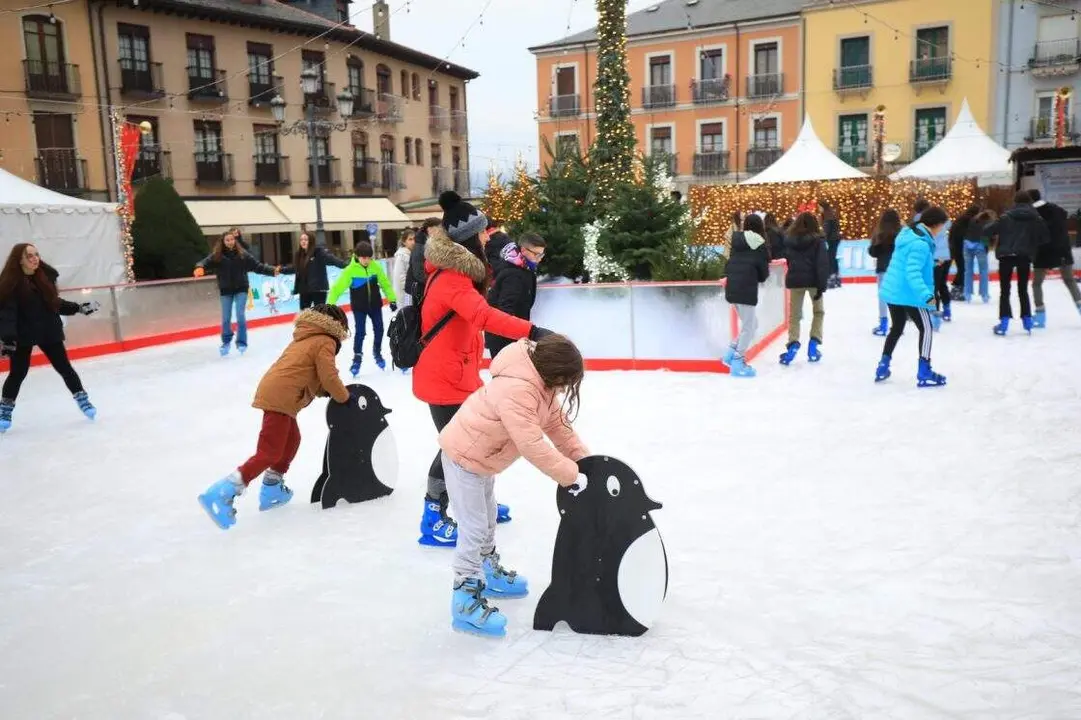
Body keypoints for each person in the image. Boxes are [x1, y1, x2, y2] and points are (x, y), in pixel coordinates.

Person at [413, 191, 550, 547]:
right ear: (469, 238)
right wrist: (532, 330)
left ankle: (474, 502)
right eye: (483, 232)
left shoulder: (458, 274)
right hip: (444, 377)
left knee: (467, 443)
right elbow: (484, 315)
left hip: (457, 373)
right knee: (457, 448)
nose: (489, 236)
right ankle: (432, 515)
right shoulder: (452, 280)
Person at [437, 333, 588, 636]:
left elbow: (559, 427)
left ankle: (489, 572)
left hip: (483, 460)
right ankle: (464, 599)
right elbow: (532, 444)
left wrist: (586, 464)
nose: (564, 388)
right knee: (475, 527)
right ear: (554, 372)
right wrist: (571, 475)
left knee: (488, 518)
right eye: (565, 381)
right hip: (463, 459)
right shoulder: (518, 389)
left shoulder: (539, 385)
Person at [198, 304, 352, 530]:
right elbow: (328, 376)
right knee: (269, 451)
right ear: (338, 326)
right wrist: (344, 397)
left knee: (292, 440)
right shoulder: (325, 340)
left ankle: (272, 487)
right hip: (282, 396)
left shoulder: (306, 336)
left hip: (278, 392)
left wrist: (326, 391)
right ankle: (223, 492)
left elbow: (309, 375)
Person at [0, 243, 100, 432]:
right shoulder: (11, 284)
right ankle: (5, 410)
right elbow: (7, 314)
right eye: (29, 255)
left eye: (36, 254)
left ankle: (83, 400)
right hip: (23, 333)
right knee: (18, 373)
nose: (35, 258)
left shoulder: (43, 278)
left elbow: (55, 303)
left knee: (64, 367)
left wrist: (79, 308)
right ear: (19, 259)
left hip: (48, 329)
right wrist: (8, 339)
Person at [875, 206, 949, 387]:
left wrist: (930, 262)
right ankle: (924, 369)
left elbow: (908, 262)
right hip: (910, 295)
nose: (942, 230)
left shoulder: (909, 234)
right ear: (935, 225)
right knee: (927, 329)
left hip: (894, 292)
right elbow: (912, 273)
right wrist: (928, 297)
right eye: (942, 226)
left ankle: (883, 365)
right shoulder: (921, 244)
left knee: (897, 327)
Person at [194, 229, 280, 356]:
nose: (230, 242)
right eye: (227, 240)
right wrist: (199, 267)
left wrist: (272, 271)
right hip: (226, 290)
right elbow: (204, 262)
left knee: (240, 316)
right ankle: (226, 342)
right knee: (226, 319)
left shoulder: (243, 255)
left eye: (232, 239)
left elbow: (257, 266)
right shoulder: (217, 256)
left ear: (235, 240)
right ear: (223, 242)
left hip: (241, 288)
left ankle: (241, 343)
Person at [985, 191, 1050, 336]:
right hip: (1024, 256)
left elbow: (987, 230)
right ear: (1029, 203)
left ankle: (1004, 322)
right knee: (1023, 289)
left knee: (1005, 290)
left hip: (1006, 256)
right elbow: (1045, 237)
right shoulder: (1036, 218)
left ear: (1015, 202)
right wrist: (1032, 243)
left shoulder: (1006, 217)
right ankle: (1027, 320)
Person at [328, 240, 397, 375]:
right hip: (359, 307)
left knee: (379, 329)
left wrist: (392, 299)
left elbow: (385, 284)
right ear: (357, 256)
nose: (366, 261)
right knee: (360, 332)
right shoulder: (350, 270)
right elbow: (337, 289)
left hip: (375, 306)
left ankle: (377, 352)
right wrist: (329, 305)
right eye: (364, 258)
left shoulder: (375, 267)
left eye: (369, 258)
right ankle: (357, 358)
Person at [722, 214, 770, 377]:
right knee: (749, 327)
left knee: (751, 324)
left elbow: (729, 262)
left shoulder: (737, 240)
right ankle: (738, 361)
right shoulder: (760, 244)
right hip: (746, 287)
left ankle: (730, 354)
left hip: (733, 286)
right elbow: (763, 272)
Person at [780, 211, 830, 365]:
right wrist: (822, 286)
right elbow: (822, 264)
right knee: (819, 312)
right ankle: (814, 344)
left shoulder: (789, 241)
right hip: (814, 281)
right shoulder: (818, 241)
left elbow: (788, 260)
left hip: (795, 280)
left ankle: (793, 343)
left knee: (794, 315)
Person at [485, 233, 545, 359]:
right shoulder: (513, 274)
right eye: (536, 254)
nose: (539, 259)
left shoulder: (525, 269)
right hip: (504, 339)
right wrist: (516, 337)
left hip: (514, 335)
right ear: (523, 250)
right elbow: (505, 309)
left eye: (541, 254)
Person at [1029, 189, 1081, 326]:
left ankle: (1040, 316)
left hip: (1043, 251)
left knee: (1037, 283)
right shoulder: (1056, 208)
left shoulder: (1032, 213)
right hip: (1063, 248)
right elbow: (1064, 216)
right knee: (1069, 280)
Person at [289, 231, 349, 311]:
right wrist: (278, 270)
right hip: (304, 290)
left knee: (319, 314)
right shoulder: (299, 255)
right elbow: (294, 268)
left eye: (306, 239)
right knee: (304, 316)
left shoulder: (318, 252)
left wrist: (346, 265)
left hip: (318, 290)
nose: (303, 241)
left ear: (311, 241)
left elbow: (331, 259)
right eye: (301, 240)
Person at [868, 209, 902, 336]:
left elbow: (873, 252)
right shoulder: (901, 233)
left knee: (883, 297)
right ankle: (898, 324)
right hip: (898, 268)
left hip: (883, 269)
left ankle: (883, 324)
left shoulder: (880, 233)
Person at [947, 205, 981, 308]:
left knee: (963, 268)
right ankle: (957, 288)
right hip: (960, 248)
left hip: (956, 247)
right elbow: (962, 235)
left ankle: (958, 288)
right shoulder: (967, 221)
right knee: (963, 268)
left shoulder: (962, 220)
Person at [963, 209, 996, 304]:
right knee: (984, 271)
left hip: (967, 244)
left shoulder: (972, 220)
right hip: (980, 246)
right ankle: (984, 294)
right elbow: (986, 237)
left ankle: (967, 294)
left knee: (968, 271)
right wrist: (986, 248)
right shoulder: (988, 223)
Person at [407, 217, 442, 305]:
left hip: (426, 287)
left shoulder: (429, 242)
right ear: (429, 229)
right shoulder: (420, 245)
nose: (440, 232)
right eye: (438, 229)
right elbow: (418, 272)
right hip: (421, 289)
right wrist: (434, 283)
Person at [820, 200, 842, 288]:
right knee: (833, 257)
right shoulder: (831, 214)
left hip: (831, 240)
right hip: (835, 239)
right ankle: (836, 276)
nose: (819, 209)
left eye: (819, 207)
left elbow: (826, 231)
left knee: (830, 258)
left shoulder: (827, 217)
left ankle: (831, 277)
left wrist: (822, 237)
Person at [392, 230, 415, 310]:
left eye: (414, 239)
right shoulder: (401, 256)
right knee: (407, 316)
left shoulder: (412, 254)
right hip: (405, 294)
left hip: (411, 293)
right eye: (410, 239)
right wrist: (410, 290)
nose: (413, 242)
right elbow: (400, 277)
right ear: (404, 242)